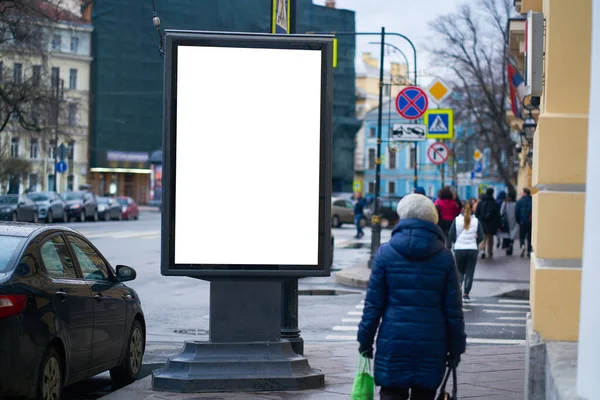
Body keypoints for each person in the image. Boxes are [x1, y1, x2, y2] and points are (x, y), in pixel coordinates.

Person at [357, 194, 466, 400]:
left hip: (393, 342)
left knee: (391, 392)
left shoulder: (385, 254)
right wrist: (456, 347)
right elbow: (453, 309)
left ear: (402, 216)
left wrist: (365, 340)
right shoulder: (444, 257)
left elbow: (373, 305)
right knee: (425, 394)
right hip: (432, 344)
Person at [449, 202, 484, 302]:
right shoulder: (476, 221)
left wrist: (456, 242)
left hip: (459, 249)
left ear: (462, 209)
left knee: (459, 271)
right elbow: (481, 236)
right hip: (472, 249)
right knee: (469, 272)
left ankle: (458, 291)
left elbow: (451, 234)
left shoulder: (456, 220)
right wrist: (474, 242)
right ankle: (466, 294)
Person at [475, 188, 501, 259]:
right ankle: (490, 251)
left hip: (482, 223)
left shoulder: (481, 202)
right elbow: (498, 215)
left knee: (483, 238)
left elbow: (477, 213)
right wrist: (498, 225)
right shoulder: (494, 203)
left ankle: (482, 251)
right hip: (491, 224)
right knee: (490, 238)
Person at [500, 191, 520, 255]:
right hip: (514, 221)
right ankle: (511, 244)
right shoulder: (516, 203)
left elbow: (501, 212)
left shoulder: (505, 203)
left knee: (507, 235)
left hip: (506, 222)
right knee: (513, 234)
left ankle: (507, 247)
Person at [515, 188, 533, 257]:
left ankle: (523, 247)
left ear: (525, 193)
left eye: (521, 192)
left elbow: (516, 212)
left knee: (522, 236)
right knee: (530, 237)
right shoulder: (532, 200)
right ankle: (529, 250)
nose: (521, 194)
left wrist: (518, 221)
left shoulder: (519, 201)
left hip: (522, 222)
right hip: (530, 222)